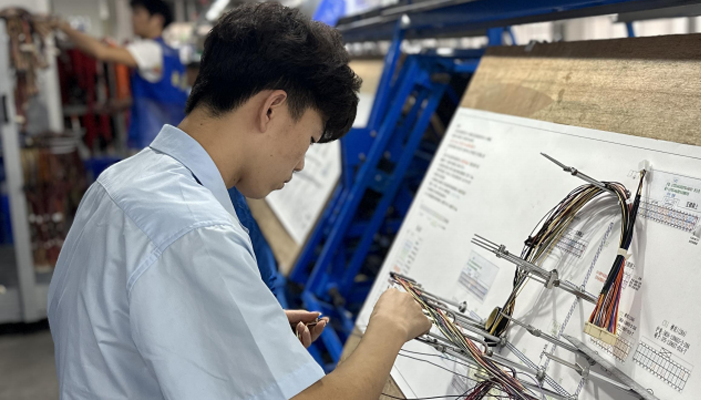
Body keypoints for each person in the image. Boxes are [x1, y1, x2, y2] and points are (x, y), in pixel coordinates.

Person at [47, 3, 431, 400]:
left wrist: (244, 331)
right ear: (271, 109)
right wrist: (389, 328)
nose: (301, 163)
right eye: (309, 140)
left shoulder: (121, 180)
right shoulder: (196, 230)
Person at [52, 0, 188, 150]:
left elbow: (101, 52)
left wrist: (61, 26)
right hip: (173, 137)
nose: (132, 18)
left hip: (152, 140)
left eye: (138, 13)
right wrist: (122, 103)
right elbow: (160, 94)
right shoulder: (171, 53)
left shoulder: (150, 49)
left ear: (157, 19)